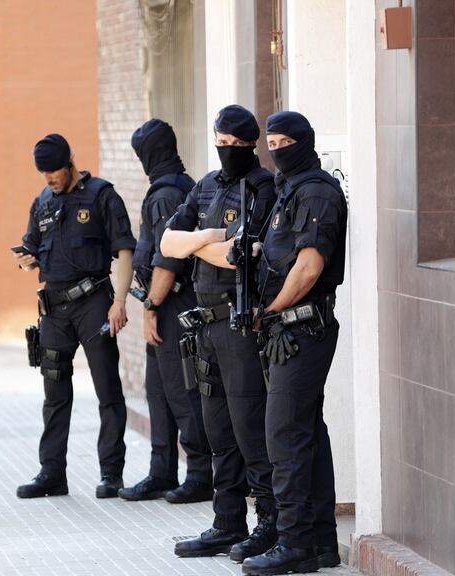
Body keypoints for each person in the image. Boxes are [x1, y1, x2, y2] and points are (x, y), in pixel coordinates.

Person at [159, 105, 279, 562]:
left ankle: (269, 524)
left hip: (240, 322)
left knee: (250, 429)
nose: (225, 151)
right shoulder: (206, 185)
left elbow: (240, 255)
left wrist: (201, 244)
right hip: (205, 323)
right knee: (217, 431)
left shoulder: (263, 189)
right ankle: (227, 522)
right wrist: (208, 238)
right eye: (220, 143)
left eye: (233, 144)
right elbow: (170, 243)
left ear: (250, 144)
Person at [239, 111, 347, 575]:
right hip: (288, 329)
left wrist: (272, 309)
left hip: (303, 327)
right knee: (306, 435)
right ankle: (321, 542)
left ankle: (294, 544)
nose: (277, 149)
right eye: (272, 141)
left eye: (286, 141)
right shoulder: (288, 189)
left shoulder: (318, 191)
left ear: (304, 142)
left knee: (283, 436)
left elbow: (309, 266)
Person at [13, 133, 136, 499]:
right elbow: (32, 249)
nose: (49, 179)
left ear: (69, 163)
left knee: (107, 390)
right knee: (54, 393)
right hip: (54, 309)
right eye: (44, 174)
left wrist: (120, 302)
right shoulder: (43, 201)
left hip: (94, 302)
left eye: (54, 171)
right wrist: (25, 260)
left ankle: (111, 474)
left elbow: (125, 250)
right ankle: (52, 473)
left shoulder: (101, 196)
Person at [118, 119, 213, 504]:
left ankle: (200, 475)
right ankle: (161, 472)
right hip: (168, 304)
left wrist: (151, 307)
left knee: (182, 391)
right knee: (158, 392)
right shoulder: (179, 187)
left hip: (173, 304)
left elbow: (167, 260)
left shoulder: (165, 196)